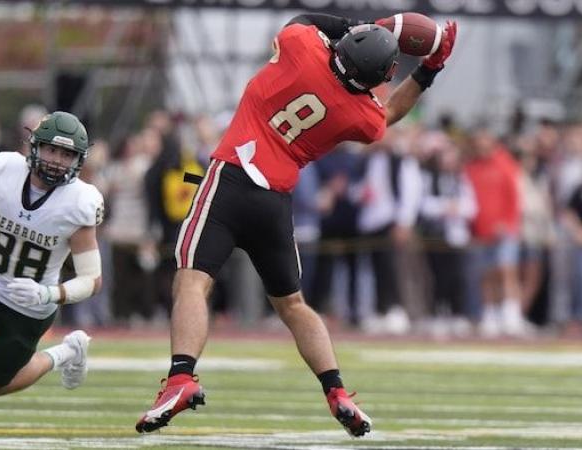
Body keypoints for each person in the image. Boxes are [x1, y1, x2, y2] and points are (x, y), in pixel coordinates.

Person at [136, 13, 457, 437]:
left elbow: (302, 19)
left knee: (193, 283)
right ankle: (337, 391)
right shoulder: (359, 115)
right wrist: (430, 70)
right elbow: (391, 111)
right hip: (274, 200)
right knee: (292, 305)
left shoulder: (301, 46)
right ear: (382, 75)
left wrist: (363, 26)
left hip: (231, 176)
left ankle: (181, 377)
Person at [0, 111, 104, 397]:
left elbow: (92, 280)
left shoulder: (79, 202)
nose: (56, 160)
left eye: (66, 154)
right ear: (34, 145)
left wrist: (47, 294)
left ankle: (64, 353)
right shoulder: (2, 170)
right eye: (51, 149)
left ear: (78, 160)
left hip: (30, 308)